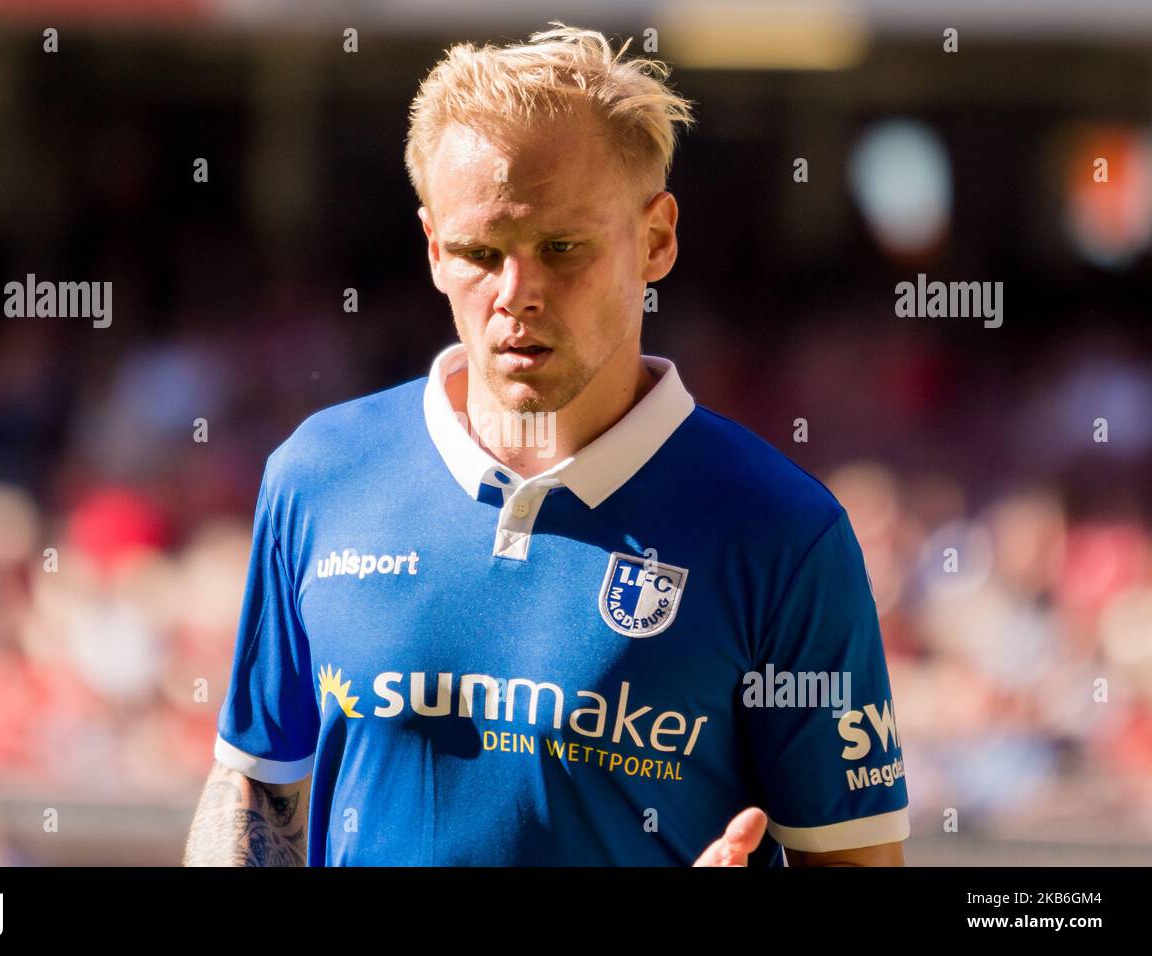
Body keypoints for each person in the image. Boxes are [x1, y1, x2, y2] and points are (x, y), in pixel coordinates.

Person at [184, 22, 908, 867]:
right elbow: (258, 785)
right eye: (480, 253)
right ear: (432, 249)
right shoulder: (320, 474)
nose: (516, 294)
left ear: (657, 238)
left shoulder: (784, 534)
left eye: (562, 248)